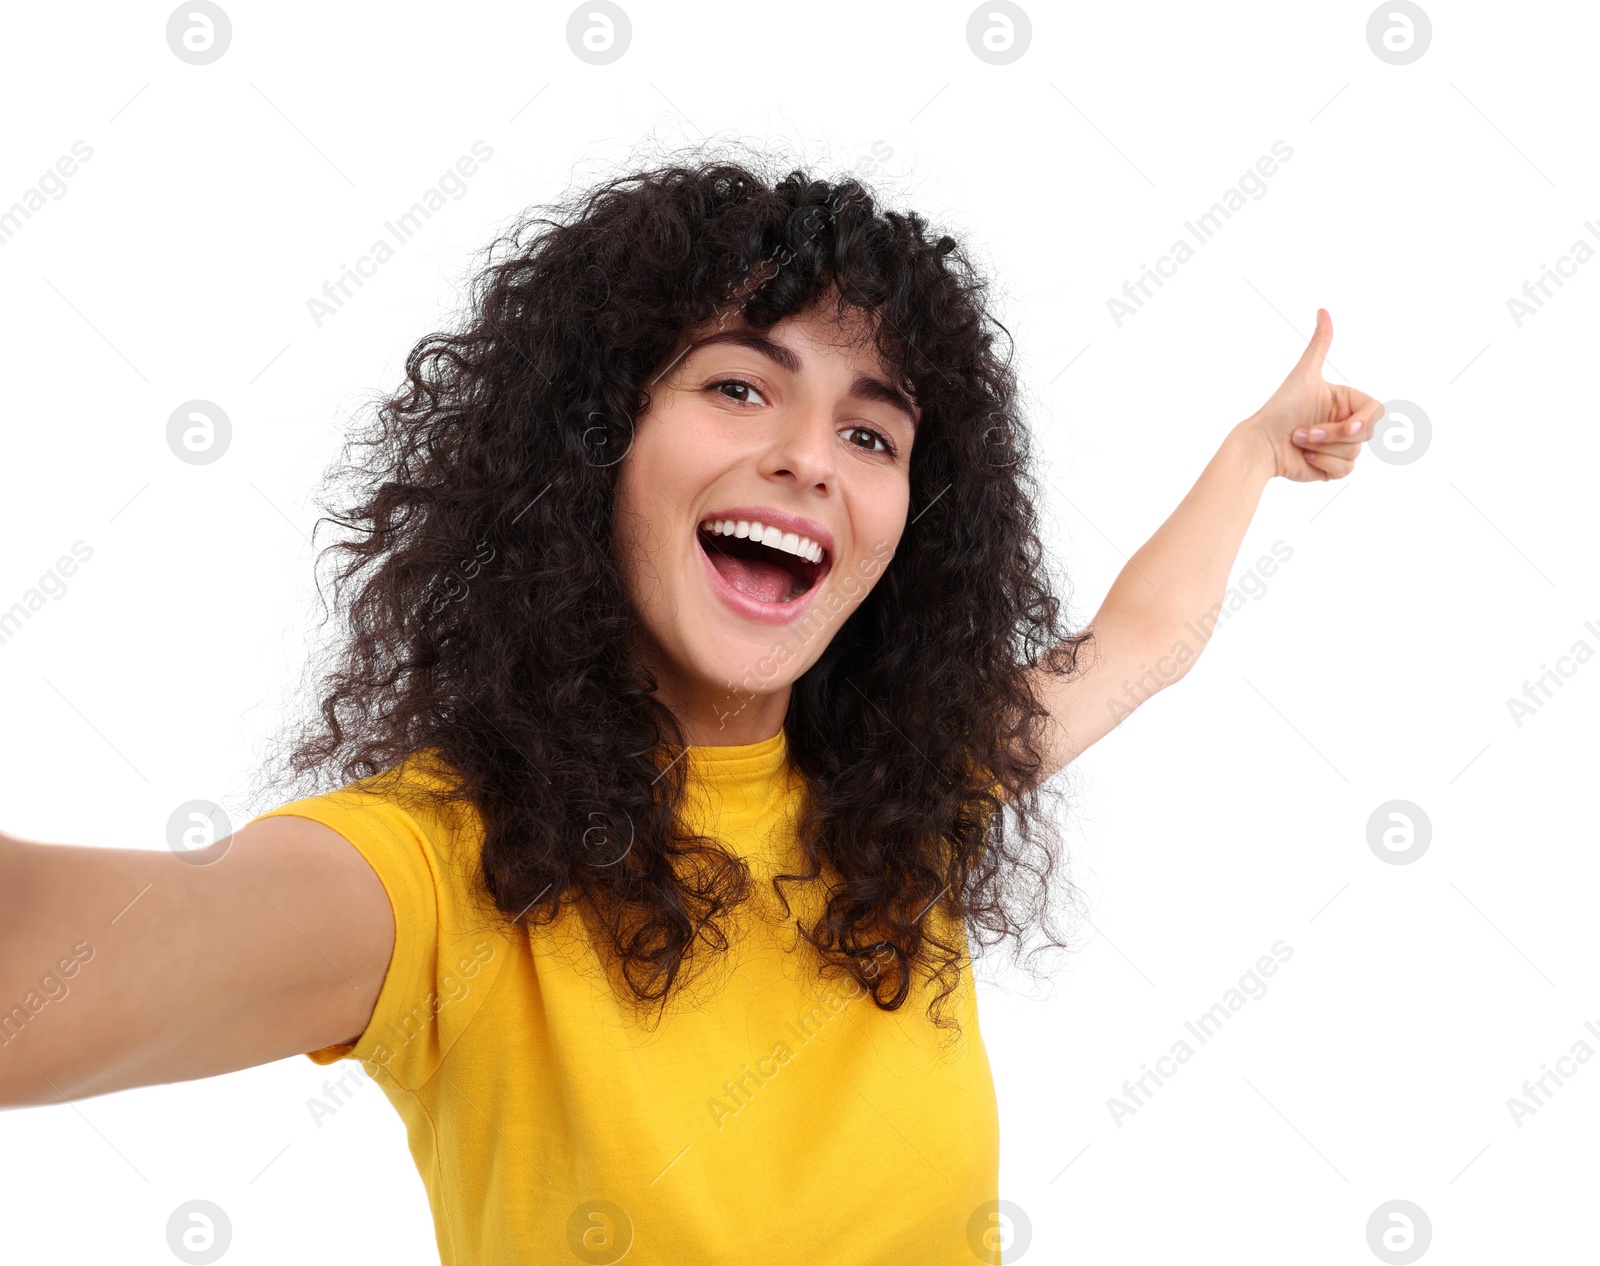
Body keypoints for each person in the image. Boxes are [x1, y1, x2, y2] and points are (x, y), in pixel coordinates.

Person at [0, 152, 1379, 1265]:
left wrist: (1258, 449)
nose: (808, 460)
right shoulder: (435, 874)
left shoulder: (902, 791)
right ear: (594, 442)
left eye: (871, 431)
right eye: (738, 385)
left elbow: (1147, 638)